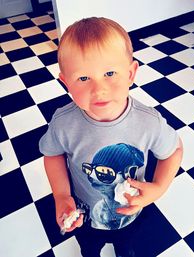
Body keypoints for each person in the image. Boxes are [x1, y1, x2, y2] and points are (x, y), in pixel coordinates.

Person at [39, 17, 183, 257]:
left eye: (109, 73)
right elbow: (52, 154)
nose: (99, 89)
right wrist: (61, 195)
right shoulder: (63, 122)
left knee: (126, 245)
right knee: (89, 248)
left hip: (131, 212)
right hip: (84, 214)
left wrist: (158, 187)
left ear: (130, 73)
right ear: (65, 82)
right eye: (83, 78)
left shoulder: (149, 122)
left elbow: (174, 150)